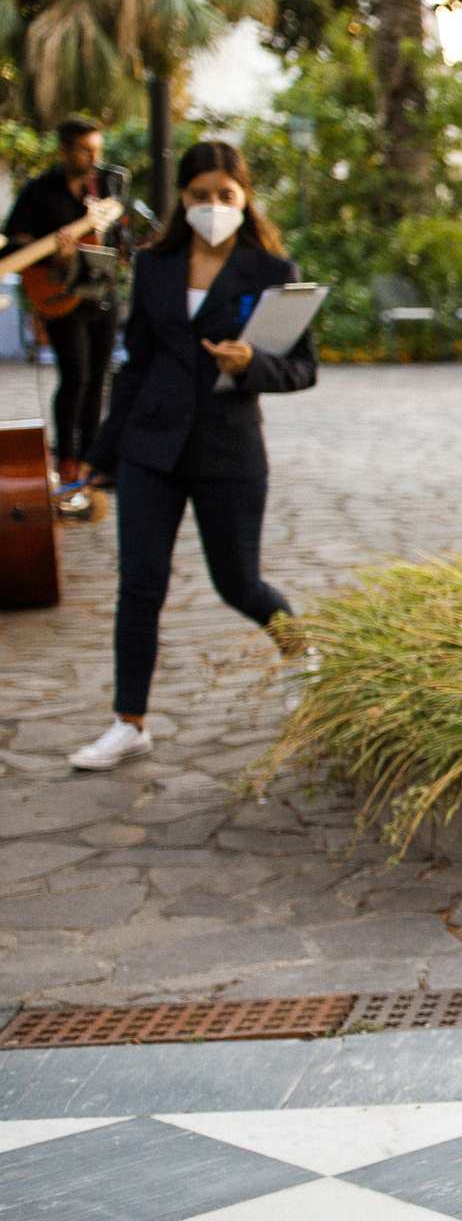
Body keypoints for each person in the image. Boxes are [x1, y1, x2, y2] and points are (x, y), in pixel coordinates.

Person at [70, 142, 313, 771]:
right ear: (182, 198)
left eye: (224, 195)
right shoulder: (154, 267)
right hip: (150, 448)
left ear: (244, 197)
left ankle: (299, 654)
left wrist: (253, 363)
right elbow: (136, 366)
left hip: (227, 448)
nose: (212, 206)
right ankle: (129, 722)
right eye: (199, 195)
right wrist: (100, 457)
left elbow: (302, 368)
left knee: (239, 583)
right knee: (139, 587)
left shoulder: (272, 272)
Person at [4, 117, 125, 505]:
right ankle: (67, 458)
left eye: (98, 149)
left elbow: (119, 240)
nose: (94, 157)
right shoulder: (39, 192)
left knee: (99, 379)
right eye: (86, 150)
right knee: (76, 376)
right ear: (65, 150)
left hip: (100, 293)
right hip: (59, 295)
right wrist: (54, 250)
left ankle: (92, 460)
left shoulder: (103, 189)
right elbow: (12, 249)